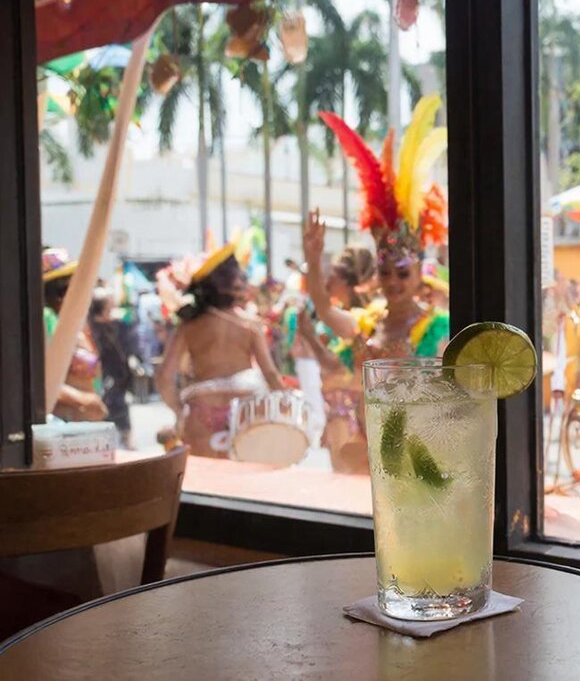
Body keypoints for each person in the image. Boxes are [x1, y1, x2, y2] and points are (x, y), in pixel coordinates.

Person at [304, 101, 450, 473]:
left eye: (403, 273)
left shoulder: (437, 330)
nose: (393, 282)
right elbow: (324, 308)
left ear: (418, 275)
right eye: (385, 273)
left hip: (415, 458)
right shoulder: (366, 325)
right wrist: (314, 258)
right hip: (360, 452)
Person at [156, 242, 286, 458]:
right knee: (247, 478)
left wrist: (179, 410)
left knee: (207, 477)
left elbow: (164, 377)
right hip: (247, 412)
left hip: (201, 412)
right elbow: (270, 374)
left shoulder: (188, 327)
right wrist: (285, 402)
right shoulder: (250, 324)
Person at [295, 246, 376, 472]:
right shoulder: (344, 317)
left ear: (346, 280)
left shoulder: (361, 321)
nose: (327, 280)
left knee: (351, 482)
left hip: (351, 419)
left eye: (332, 275)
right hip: (337, 416)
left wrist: (309, 336)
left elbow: (334, 365)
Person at [42, 248, 107, 423]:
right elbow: (38, 382)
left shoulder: (77, 323)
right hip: (64, 425)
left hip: (87, 425)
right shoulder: (46, 321)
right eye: (68, 287)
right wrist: (82, 400)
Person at [89, 287, 140, 448]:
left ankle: (127, 439)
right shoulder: (92, 329)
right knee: (106, 407)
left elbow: (127, 346)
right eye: (109, 304)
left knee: (120, 406)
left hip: (119, 375)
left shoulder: (117, 325)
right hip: (102, 376)